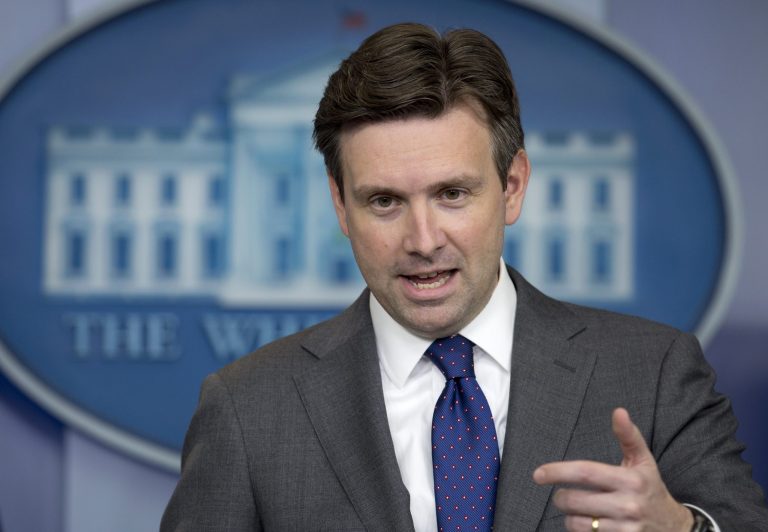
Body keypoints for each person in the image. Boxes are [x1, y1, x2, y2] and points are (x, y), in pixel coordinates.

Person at [161, 23, 768, 531]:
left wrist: (682, 530)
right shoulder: (248, 409)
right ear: (341, 206)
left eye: (452, 194)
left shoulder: (653, 373)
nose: (423, 241)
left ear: (513, 187)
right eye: (384, 202)